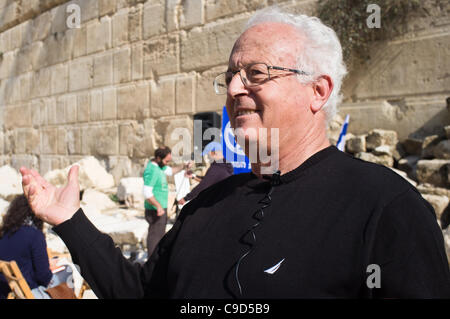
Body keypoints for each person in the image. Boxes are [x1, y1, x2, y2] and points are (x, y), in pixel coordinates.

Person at [20, 7, 450, 298]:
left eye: (255, 74)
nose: (233, 89)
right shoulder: (208, 203)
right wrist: (70, 222)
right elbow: (141, 291)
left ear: (318, 91)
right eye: (230, 75)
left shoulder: (386, 208)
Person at [0, 195, 68, 299]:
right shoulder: (35, 235)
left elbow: (21, 260)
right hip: (27, 292)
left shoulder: (5, 233)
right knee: (69, 272)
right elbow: (44, 277)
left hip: (6, 290)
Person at [143, 146, 190, 256]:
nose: (167, 163)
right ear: (158, 158)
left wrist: (183, 166)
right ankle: (151, 263)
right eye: (166, 160)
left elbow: (171, 171)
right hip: (155, 210)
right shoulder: (152, 170)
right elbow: (147, 192)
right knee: (155, 237)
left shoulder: (160, 166)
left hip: (161, 208)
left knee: (159, 235)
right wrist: (158, 206)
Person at [178, 142, 234, 206]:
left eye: (208, 154)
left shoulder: (216, 169)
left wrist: (185, 199)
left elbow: (203, 186)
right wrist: (193, 176)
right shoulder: (224, 166)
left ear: (214, 153)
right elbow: (208, 180)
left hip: (221, 203)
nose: (207, 157)